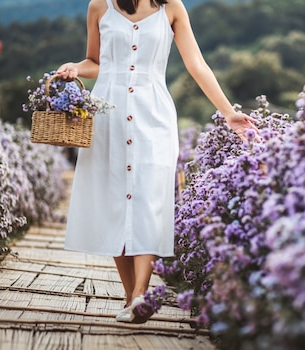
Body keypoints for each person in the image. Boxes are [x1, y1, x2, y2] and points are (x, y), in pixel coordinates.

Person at [56, 0, 259, 324]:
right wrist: (76, 68)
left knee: (149, 200)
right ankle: (132, 298)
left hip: (155, 116)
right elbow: (96, 61)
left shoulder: (172, 8)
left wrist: (229, 113)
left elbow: (197, 64)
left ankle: (140, 294)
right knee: (114, 203)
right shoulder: (99, 7)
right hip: (108, 116)